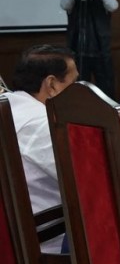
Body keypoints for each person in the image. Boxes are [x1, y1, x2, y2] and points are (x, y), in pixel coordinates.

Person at [5, 44, 77, 221]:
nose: (78, 93)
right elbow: (83, 179)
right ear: (51, 85)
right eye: (74, 84)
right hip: (50, 238)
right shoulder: (41, 123)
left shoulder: (8, 106)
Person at [61, 0, 117, 93]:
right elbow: (64, 4)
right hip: (79, 51)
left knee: (106, 87)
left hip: (100, 51)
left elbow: (113, 6)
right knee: (78, 88)